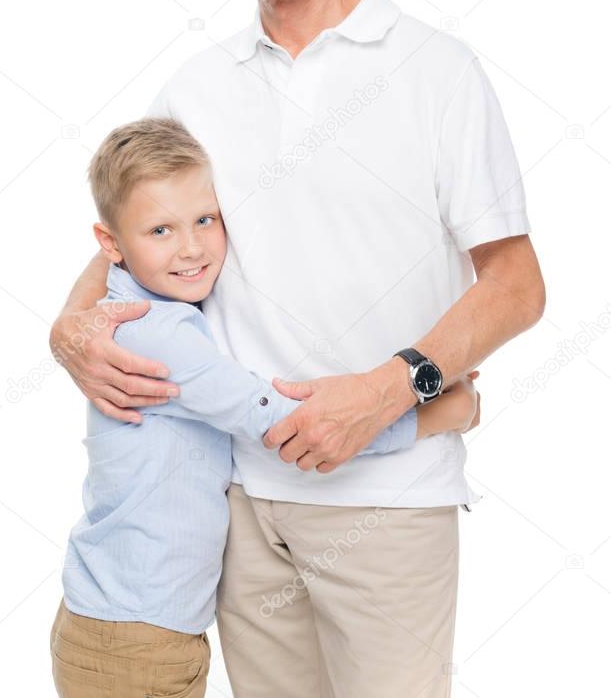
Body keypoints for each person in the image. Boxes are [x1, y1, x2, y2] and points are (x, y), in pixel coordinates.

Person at [50, 0, 545, 697]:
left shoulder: (437, 72)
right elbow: (134, 235)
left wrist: (396, 388)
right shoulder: (195, 88)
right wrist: (70, 327)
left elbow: (515, 286)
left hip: (389, 507)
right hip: (239, 512)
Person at [50, 116, 480, 698]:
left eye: (206, 219)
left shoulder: (158, 313)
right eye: (160, 231)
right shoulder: (158, 334)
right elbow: (285, 423)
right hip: (133, 637)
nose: (193, 247)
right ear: (110, 245)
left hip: (138, 623)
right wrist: (438, 414)